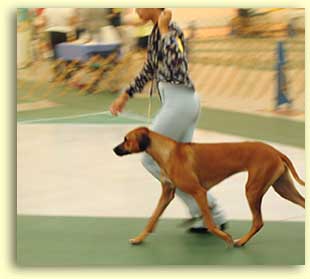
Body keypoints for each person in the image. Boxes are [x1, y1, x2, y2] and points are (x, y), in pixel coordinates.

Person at [110, 8, 227, 233]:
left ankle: (207, 207)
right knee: (183, 166)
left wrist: (164, 29)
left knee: (151, 160)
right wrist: (126, 95)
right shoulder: (156, 32)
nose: (136, 10)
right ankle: (210, 215)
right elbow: (149, 68)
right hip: (179, 102)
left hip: (180, 102)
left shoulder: (171, 30)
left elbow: (177, 65)